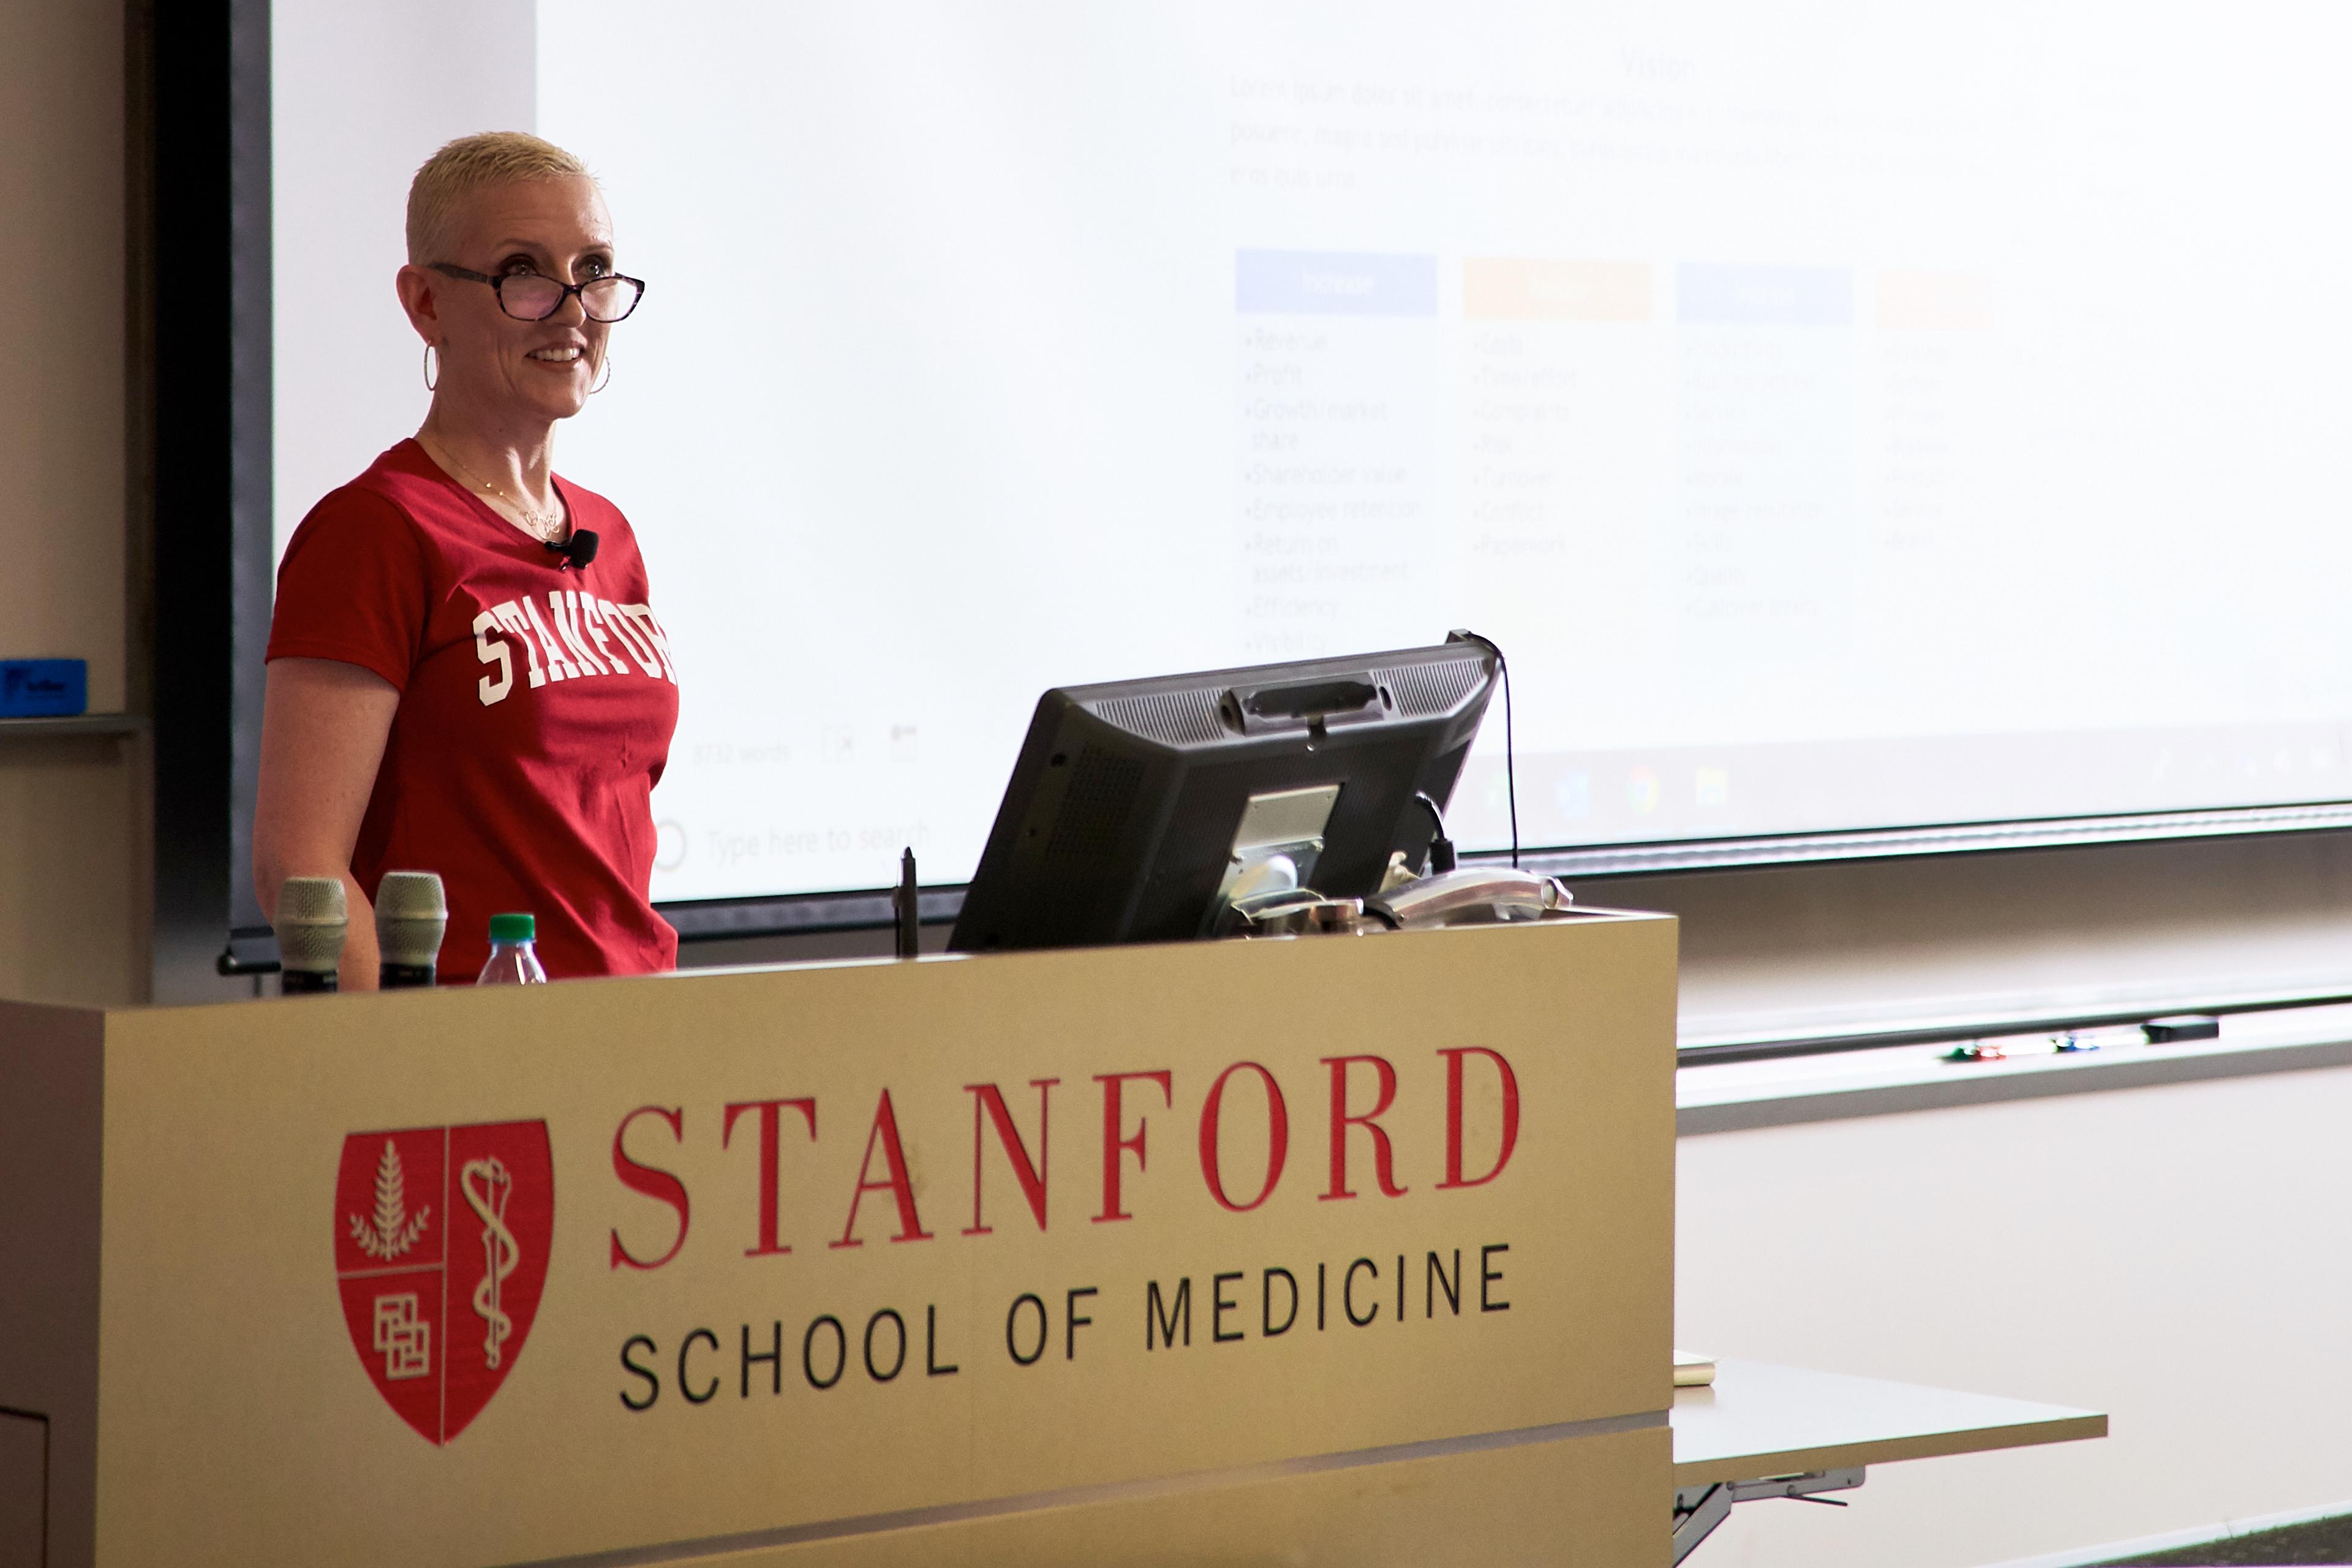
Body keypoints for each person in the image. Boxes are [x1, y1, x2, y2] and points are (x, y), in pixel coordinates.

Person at [254, 132, 678, 987]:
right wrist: (421, 1059)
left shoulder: (612, 535)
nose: (570, 309)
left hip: (646, 1042)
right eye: (522, 270)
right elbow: (299, 869)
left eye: (592, 269)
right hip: (475, 1058)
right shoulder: (374, 531)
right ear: (426, 304)